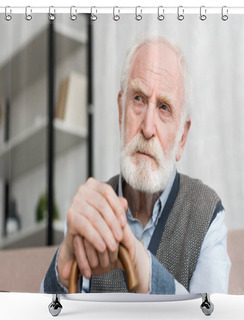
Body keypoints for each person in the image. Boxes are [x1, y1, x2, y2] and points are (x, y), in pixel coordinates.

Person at [42, 36, 231, 295]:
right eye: (139, 99)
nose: (148, 128)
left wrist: (144, 269)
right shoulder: (92, 208)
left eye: (164, 107)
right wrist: (61, 270)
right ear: (121, 111)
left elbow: (212, 313)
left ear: (182, 137)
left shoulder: (208, 214)